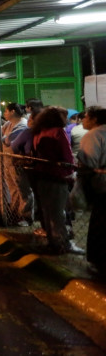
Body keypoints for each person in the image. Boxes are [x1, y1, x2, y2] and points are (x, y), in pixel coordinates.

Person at [31, 106, 83, 254]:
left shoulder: (38, 132)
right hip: (57, 176)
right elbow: (66, 155)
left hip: (41, 175)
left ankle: (52, 241)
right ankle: (63, 243)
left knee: (47, 211)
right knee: (60, 212)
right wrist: (70, 172)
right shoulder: (58, 132)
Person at [76, 106, 106, 275]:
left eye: (86, 117)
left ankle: (99, 261)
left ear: (94, 119)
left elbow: (89, 162)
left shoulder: (93, 135)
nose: (83, 120)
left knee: (99, 224)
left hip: (101, 186)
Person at [1, 103, 34, 226]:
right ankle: (15, 213)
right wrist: (5, 138)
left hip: (18, 162)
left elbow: (8, 140)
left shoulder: (22, 125)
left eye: (6, 111)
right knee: (13, 188)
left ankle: (26, 216)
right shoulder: (8, 124)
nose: (4, 113)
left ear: (13, 111)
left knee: (23, 190)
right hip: (8, 160)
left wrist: (5, 138)